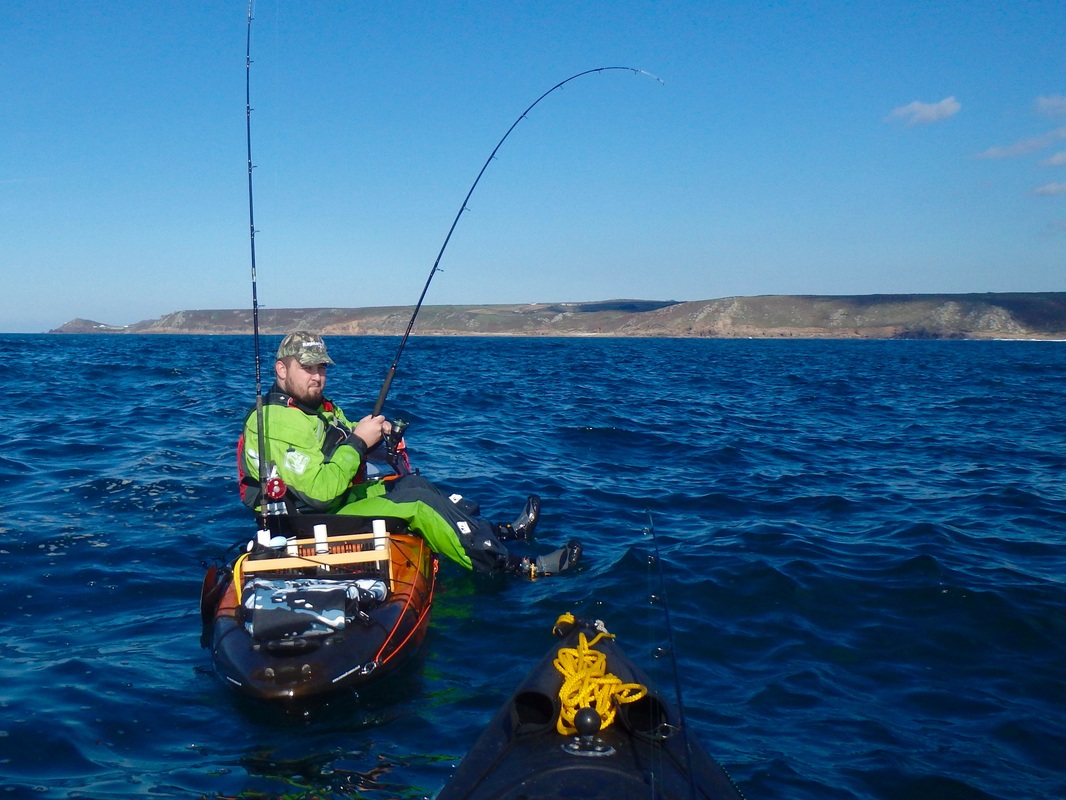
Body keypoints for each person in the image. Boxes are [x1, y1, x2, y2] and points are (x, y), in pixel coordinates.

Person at [238, 331, 581, 578]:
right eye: (308, 368)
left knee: (415, 484)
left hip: (333, 501)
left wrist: (373, 432)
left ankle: (500, 532)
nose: (318, 377)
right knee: (418, 505)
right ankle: (517, 567)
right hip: (306, 517)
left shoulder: (312, 408)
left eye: (322, 368)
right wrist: (359, 443)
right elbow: (319, 491)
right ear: (282, 370)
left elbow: (341, 435)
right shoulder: (275, 421)